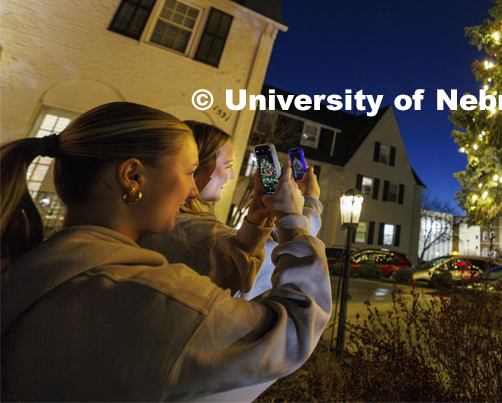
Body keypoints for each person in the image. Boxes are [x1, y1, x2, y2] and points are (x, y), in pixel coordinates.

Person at [0, 102, 331, 401]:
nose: (191, 189)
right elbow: (294, 330)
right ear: (132, 177)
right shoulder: (149, 297)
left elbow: (204, 298)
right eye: (188, 172)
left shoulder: (33, 266)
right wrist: (293, 222)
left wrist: (255, 226)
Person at [140, 121, 274, 295]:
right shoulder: (201, 234)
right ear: (195, 167)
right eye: (227, 165)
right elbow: (277, 265)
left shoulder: (150, 220)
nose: (232, 175)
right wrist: (298, 212)